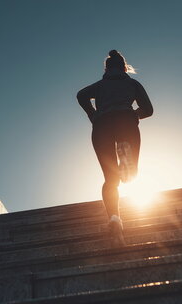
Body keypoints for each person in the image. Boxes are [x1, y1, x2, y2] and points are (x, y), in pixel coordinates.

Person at [77, 50, 153, 246]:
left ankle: (114, 218)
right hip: (126, 123)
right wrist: (135, 115)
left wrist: (92, 114)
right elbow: (149, 110)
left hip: (101, 126)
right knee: (130, 176)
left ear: (107, 69)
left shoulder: (101, 85)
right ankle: (125, 155)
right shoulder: (132, 84)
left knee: (110, 180)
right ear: (124, 67)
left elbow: (81, 95)